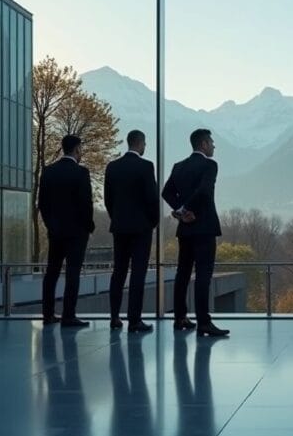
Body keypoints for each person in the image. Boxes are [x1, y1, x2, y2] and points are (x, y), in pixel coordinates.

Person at [161, 129, 230, 337]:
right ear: (203, 144)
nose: (214, 146)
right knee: (203, 275)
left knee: (182, 273)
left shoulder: (179, 166)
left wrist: (181, 210)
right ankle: (203, 322)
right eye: (211, 142)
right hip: (205, 227)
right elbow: (204, 191)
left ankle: (180, 317)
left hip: (185, 228)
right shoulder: (210, 165)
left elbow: (166, 192)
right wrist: (186, 209)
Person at [104, 129, 158, 334]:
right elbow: (152, 198)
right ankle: (134, 320)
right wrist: (152, 222)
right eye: (145, 144)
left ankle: (114, 317)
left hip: (120, 227)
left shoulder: (112, 167)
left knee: (118, 272)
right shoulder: (146, 166)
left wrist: (116, 218)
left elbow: (108, 199)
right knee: (138, 273)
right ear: (140, 143)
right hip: (141, 228)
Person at [38, 134, 95, 327]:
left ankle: (47, 314)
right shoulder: (81, 173)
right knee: (73, 273)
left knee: (52, 272)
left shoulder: (48, 171)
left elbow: (43, 203)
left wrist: (50, 225)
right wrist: (89, 226)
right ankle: (68, 315)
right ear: (77, 149)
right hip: (77, 232)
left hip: (55, 231)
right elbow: (86, 203)